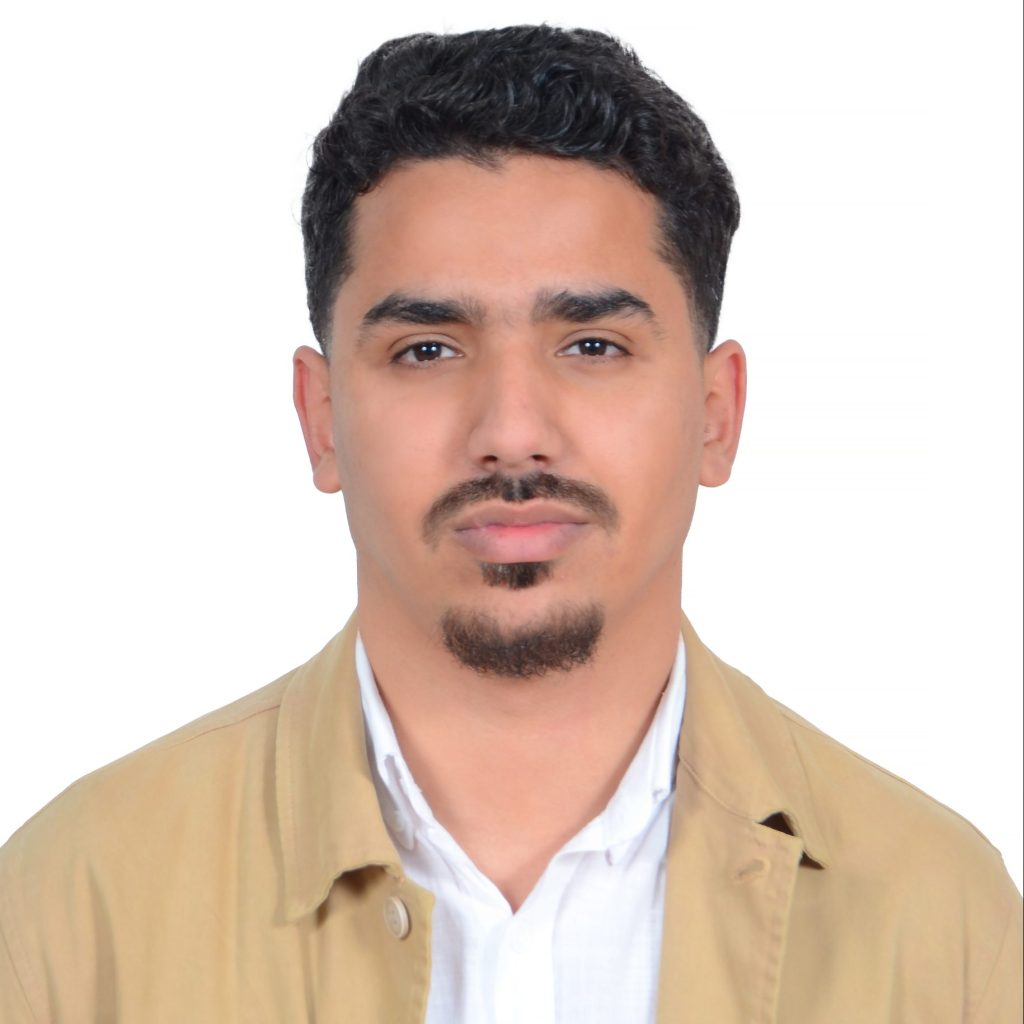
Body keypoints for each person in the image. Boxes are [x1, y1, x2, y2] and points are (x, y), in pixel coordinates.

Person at [0, 23, 1019, 1023]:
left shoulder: (944, 926)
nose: (512, 433)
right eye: (428, 350)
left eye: (592, 345)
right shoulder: (71, 911)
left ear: (717, 415)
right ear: (320, 419)